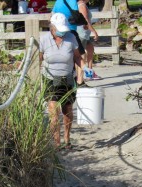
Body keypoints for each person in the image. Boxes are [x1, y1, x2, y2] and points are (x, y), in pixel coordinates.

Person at [39, 13, 93, 149]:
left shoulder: (71, 38)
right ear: (52, 28)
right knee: (53, 110)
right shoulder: (44, 39)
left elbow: (77, 57)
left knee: (67, 109)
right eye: (59, 30)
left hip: (68, 77)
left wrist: (85, 68)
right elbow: (38, 58)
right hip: (51, 78)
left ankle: (67, 139)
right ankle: (56, 143)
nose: (62, 33)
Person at [52, 0, 86, 84]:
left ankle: (70, 80)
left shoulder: (58, 2)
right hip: (71, 30)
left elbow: (53, 13)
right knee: (80, 55)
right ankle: (80, 81)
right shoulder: (72, 1)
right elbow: (76, 14)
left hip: (58, 31)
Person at [77, 0, 102, 80]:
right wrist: (94, 32)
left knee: (90, 48)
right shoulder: (82, 6)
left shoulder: (84, 5)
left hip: (85, 34)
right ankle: (79, 77)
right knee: (81, 56)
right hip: (82, 33)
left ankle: (90, 71)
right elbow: (86, 22)